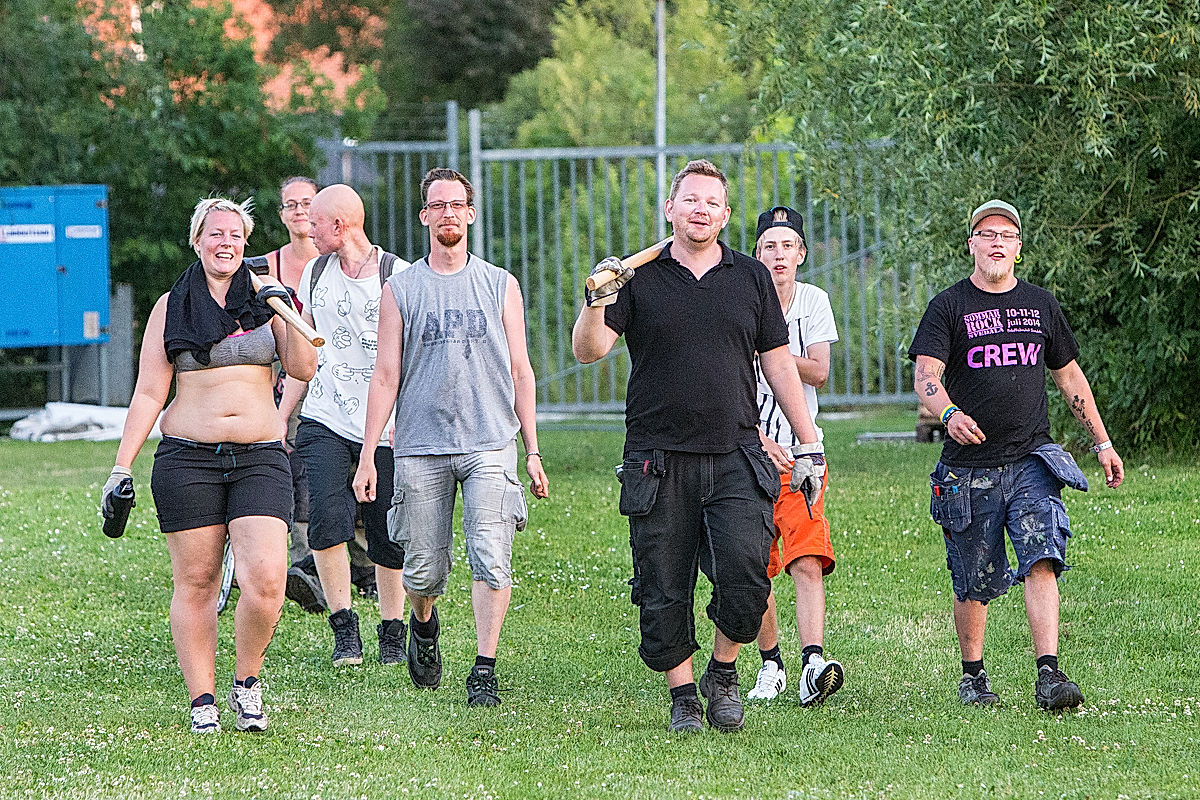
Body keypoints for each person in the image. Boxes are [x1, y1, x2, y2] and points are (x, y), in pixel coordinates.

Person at [571, 160, 826, 734]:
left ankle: (725, 672)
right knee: (662, 584)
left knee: (746, 573)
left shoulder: (749, 278)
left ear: (725, 214)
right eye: (690, 200)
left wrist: (808, 441)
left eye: (712, 202)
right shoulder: (638, 279)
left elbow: (778, 363)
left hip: (737, 450)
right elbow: (588, 351)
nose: (701, 210)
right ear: (670, 209)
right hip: (656, 457)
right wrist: (594, 297)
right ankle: (684, 694)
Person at [101, 197, 317, 733]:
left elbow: (304, 367)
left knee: (265, 580)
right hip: (187, 459)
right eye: (215, 234)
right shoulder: (171, 305)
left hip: (260, 456)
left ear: (245, 244)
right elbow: (150, 392)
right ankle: (203, 700)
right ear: (197, 241)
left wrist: (282, 309)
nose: (227, 243)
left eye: (236, 236)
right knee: (196, 582)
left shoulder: (272, 299)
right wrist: (121, 466)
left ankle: (247, 683)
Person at [909, 199, 1124, 711]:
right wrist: (948, 415)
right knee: (973, 579)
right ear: (972, 245)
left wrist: (1103, 441)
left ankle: (1049, 674)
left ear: (1019, 247)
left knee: (1042, 557)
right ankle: (974, 676)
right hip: (970, 469)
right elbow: (926, 376)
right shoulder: (949, 306)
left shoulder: (1041, 304)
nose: (997, 242)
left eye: (1006, 234)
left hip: (1032, 459)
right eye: (987, 234)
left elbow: (1069, 377)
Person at [353, 167, 549, 707]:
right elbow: (385, 374)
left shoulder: (499, 284)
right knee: (423, 569)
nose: (447, 214)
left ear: (471, 213)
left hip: (490, 441)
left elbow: (521, 369)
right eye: (437, 206)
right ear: (424, 217)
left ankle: (484, 666)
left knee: (491, 555)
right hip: (419, 442)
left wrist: (532, 450)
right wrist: (369, 454)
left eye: (456, 205)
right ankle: (423, 623)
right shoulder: (401, 288)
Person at [277, 184, 410, 668]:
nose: (307, 231)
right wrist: (279, 418)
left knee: (386, 532)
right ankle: (345, 630)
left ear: (340, 225)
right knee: (327, 523)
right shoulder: (314, 273)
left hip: (388, 426)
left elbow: (411, 361)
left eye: (315, 222)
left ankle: (393, 631)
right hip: (324, 418)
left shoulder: (399, 276)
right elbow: (307, 356)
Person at [744, 206, 844, 706]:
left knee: (807, 555)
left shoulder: (814, 300)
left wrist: (773, 355)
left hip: (803, 451)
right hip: (750, 451)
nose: (778, 254)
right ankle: (770, 664)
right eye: (768, 246)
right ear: (756, 254)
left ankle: (813, 662)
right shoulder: (739, 299)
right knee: (757, 562)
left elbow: (821, 371)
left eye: (787, 246)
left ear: (801, 254)